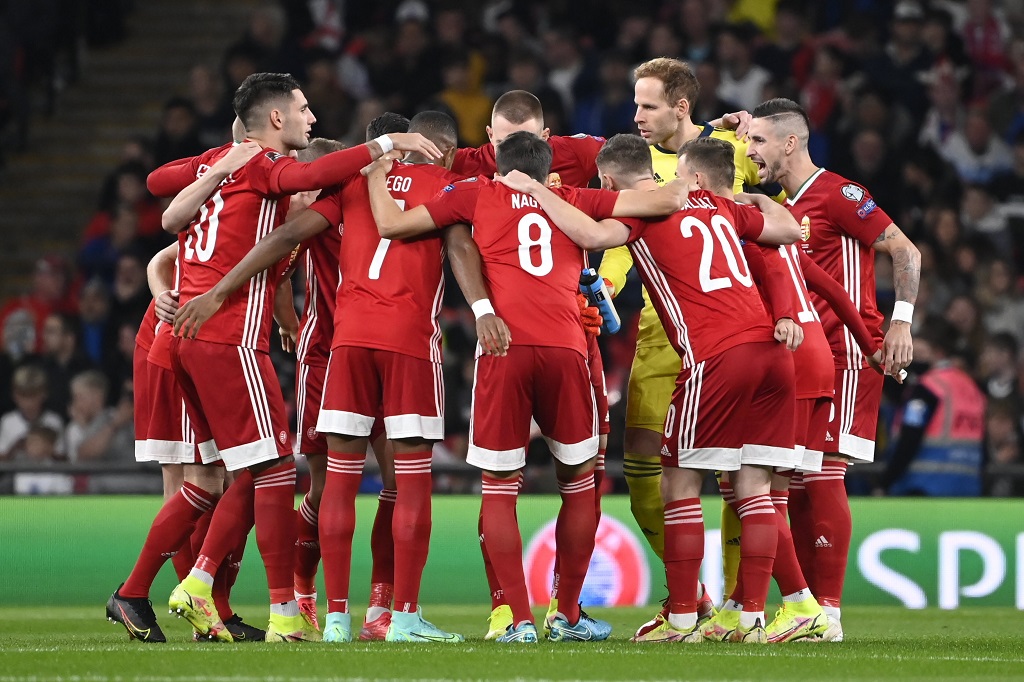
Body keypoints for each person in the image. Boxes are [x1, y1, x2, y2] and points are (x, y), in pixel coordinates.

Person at [363, 130, 687, 643]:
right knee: (580, 484)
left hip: (502, 347)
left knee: (499, 488)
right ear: (547, 168)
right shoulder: (573, 197)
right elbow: (667, 197)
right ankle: (568, 616)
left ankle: (516, 621)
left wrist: (377, 176)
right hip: (567, 347)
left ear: (499, 164)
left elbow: (391, 223)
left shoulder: (476, 192)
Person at [153, 72, 441, 643]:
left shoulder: (299, 198)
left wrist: (277, 314)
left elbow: (181, 225)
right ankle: (301, 603)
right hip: (281, 342)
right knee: (298, 476)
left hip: (294, 342)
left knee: (279, 475)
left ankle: (315, 609)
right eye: (305, 108)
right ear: (278, 119)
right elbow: (284, 216)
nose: (313, 116)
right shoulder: (281, 177)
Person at [494, 131, 803, 644]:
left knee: (678, 484)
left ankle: (683, 619)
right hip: (772, 351)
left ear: (607, 180)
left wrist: (536, 191)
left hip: (717, 355)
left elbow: (592, 237)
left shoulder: (642, 211)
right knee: (754, 486)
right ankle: (761, 616)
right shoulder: (712, 202)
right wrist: (745, 196)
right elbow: (789, 232)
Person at [599, 57, 780, 610]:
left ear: (681, 107)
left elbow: (776, 217)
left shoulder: (728, 152)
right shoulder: (634, 162)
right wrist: (605, 284)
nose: (637, 115)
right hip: (661, 330)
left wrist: (755, 137)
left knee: (734, 469)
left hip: (732, 329)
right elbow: (617, 241)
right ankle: (692, 595)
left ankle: (732, 599)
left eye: (647, 105)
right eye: (635, 103)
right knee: (642, 467)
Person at [746, 97, 921, 641]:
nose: (751, 152)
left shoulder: (840, 194)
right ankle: (806, 612)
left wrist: (900, 323)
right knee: (793, 478)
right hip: (805, 355)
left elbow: (905, 250)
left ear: (790, 143)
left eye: (758, 142)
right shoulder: (782, 204)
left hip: (848, 351)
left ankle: (828, 612)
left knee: (822, 473)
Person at [882, 317, 986, 496]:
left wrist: (885, 482)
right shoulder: (972, 387)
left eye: (919, 353)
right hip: (968, 489)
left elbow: (910, 437)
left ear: (937, 352)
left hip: (923, 487)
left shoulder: (927, 388)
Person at [0, 365, 64, 460]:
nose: (28, 402)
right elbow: (2, 459)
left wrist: (45, 448)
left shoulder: (54, 420)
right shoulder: (8, 421)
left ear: (44, 394)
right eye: (23, 396)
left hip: (49, 473)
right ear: (15, 396)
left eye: (33, 396)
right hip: (17, 473)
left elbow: (63, 458)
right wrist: (17, 447)